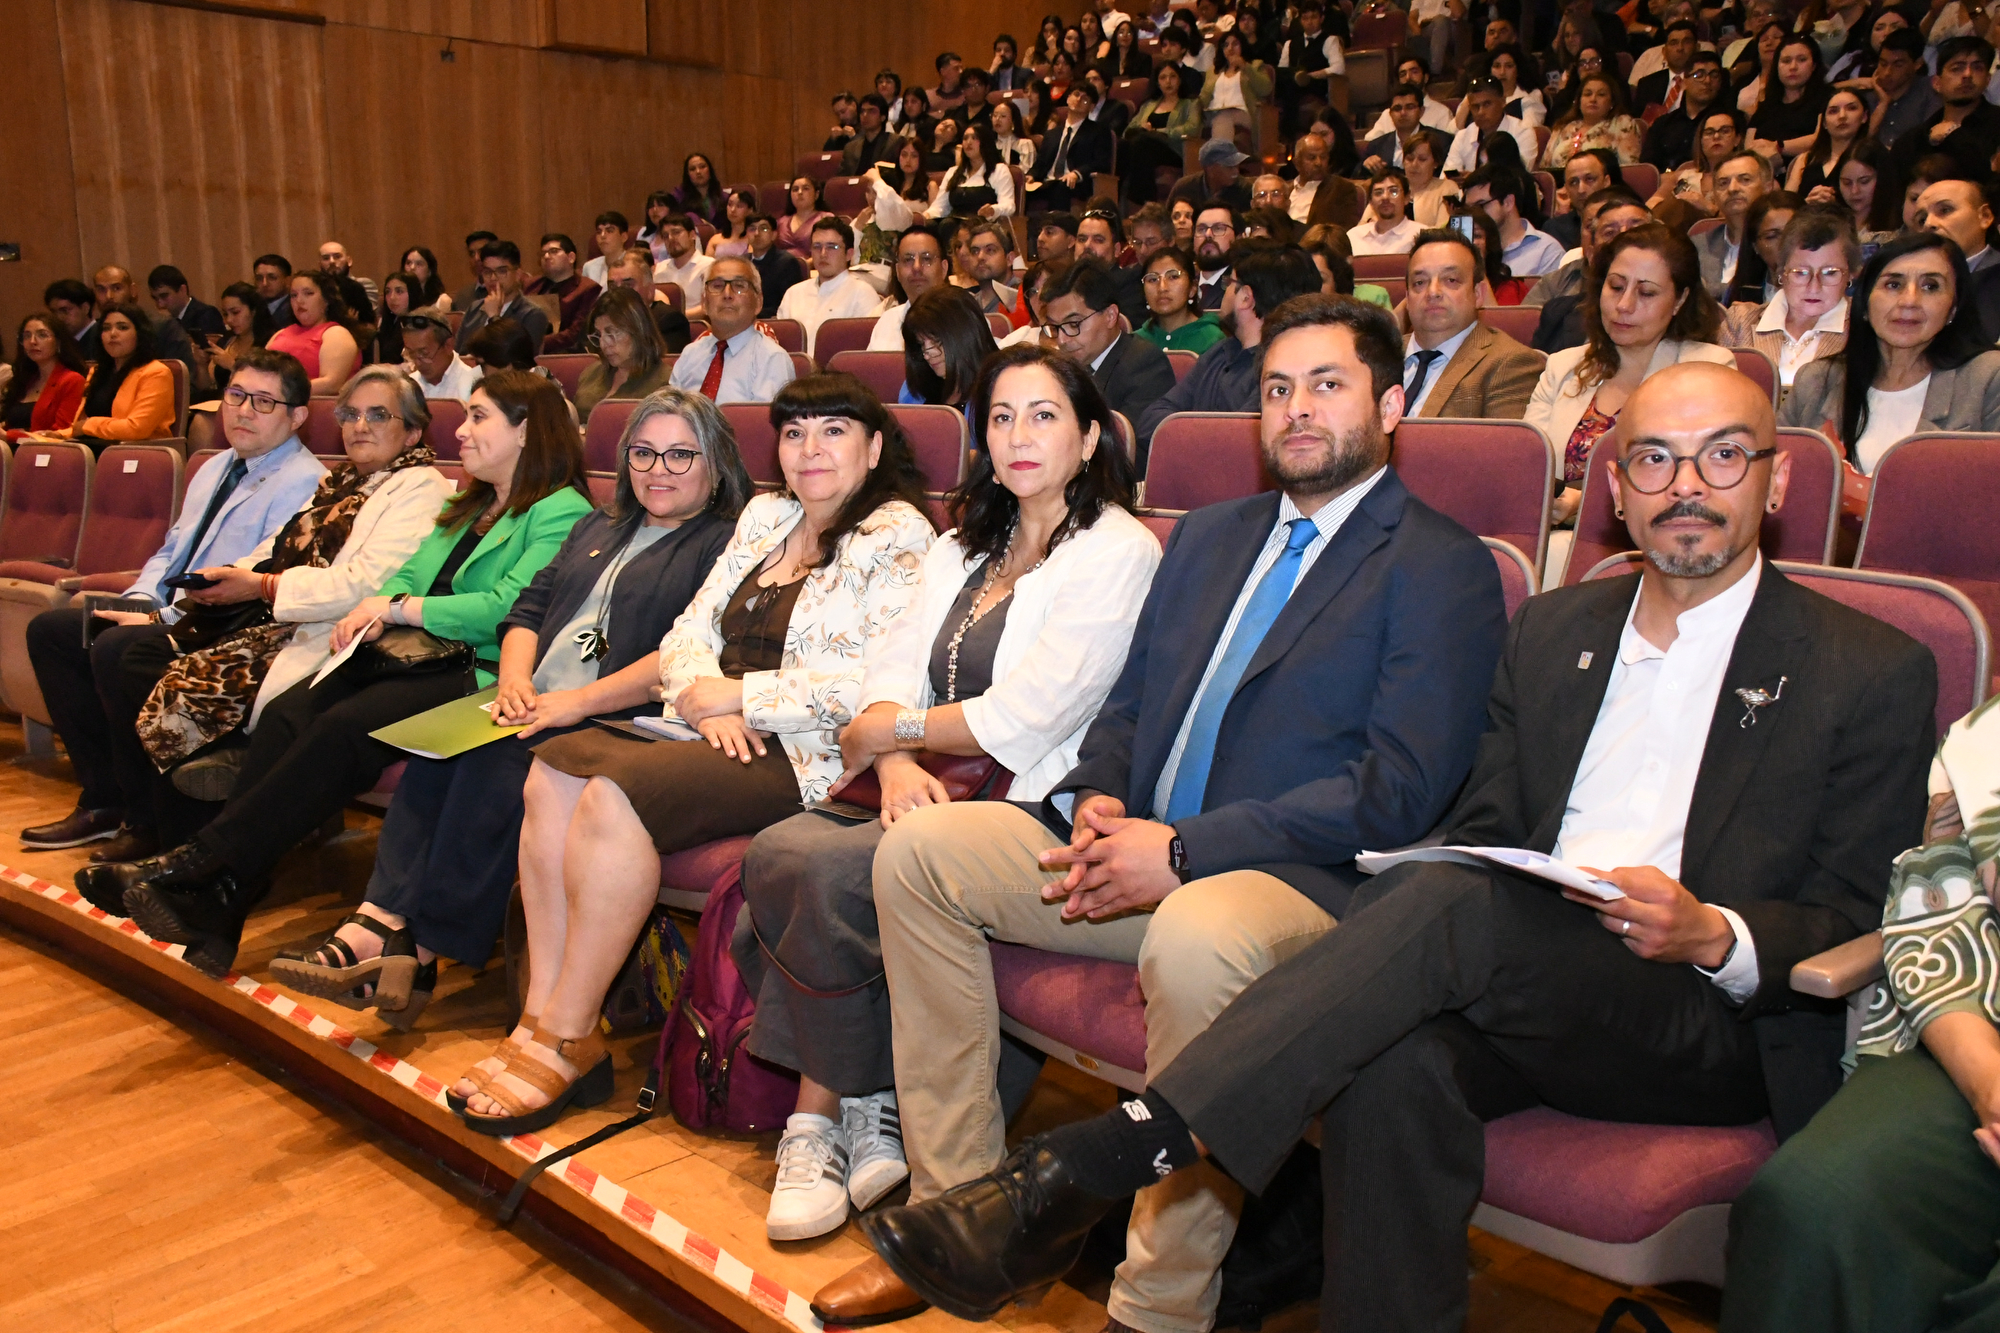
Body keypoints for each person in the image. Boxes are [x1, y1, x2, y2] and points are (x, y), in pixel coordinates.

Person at [859, 356, 1940, 1333]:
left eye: (1721, 456)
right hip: (1528, 976)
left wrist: (1715, 933)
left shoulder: (1867, 667)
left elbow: (1854, 918)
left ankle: (1093, 1162)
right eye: (1653, 458)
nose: (1685, 485)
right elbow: (1486, 831)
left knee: (1451, 903)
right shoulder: (1557, 632)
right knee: (1394, 1063)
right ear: (1615, 486)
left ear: (1775, 482)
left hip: (1700, 1012)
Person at [813, 293, 1511, 1333]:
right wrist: (1098, 794)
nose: (1297, 409)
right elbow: (1132, 705)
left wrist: (1185, 848)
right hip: (1140, 846)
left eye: (1327, 385)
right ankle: (967, 1221)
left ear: (1391, 406)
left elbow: (1399, 789)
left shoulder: (1438, 563)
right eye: (1278, 388)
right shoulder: (1211, 535)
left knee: (1194, 936)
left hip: (1297, 884)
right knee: (919, 853)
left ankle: (1156, 1308)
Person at [443, 374, 931, 1137]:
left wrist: (740, 696)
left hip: (804, 752)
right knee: (552, 769)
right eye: (795, 433)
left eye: (833, 431)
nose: (810, 449)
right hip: (709, 728)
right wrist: (706, 701)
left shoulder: (899, 534)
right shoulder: (767, 516)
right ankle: (538, 1018)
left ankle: (570, 1033)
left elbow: (878, 679)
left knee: (613, 793)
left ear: (872, 449)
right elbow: (686, 636)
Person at [745, 352, 1157, 1249]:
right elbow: (887, 668)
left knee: (817, 865)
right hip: (925, 782)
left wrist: (888, 733)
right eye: (1001, 417)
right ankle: (863, 1108)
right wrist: (895, 762)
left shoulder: (1119, 549)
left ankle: (827, 1112)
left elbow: (1028, 716)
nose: (1018, 436)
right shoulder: (963, 540)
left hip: (1030, 800)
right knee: (779, 853)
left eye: (1044, 416)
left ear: (1090, 436)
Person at [87, 370, 595, 978]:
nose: (460, 430)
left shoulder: (561, 512)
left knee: (343, 728)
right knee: (288, 713)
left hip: (474, 669)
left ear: (526, 431)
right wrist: (377, 609)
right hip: (405, 651)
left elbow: (506, 608)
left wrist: (398, 609)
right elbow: (406, 574)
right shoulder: (470, 503)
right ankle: (216, 904)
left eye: (478, 417)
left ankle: (193, 871)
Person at [269, 389, 747, 1025]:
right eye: (643, 452)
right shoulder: (599, 524)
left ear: (715, 462)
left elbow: (683, 654)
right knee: (438, 749)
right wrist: (515, 681)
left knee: (495, 766)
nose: (659, 469)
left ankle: (420, 948)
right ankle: (377, 919)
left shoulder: (725, 544)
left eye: (680, 455)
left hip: (618, 713)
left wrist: (574, 703)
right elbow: (527, 612)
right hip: (538, 697)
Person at [1721, 699, 2000, 1331]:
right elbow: (1938, 897)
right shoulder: (1989, 738)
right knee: (1813, 1206)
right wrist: (1989, 1086)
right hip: (1974, 1020)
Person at [20, 349, 327, 858]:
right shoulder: (215, 466)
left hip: (228, 623)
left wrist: (158, 618)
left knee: (116, 649)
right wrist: (140, 600)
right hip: (171, 610)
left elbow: (247, 575)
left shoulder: (304, 481)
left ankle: (146, 822)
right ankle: (104, 800)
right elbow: (173, 549)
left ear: (297, 417)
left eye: (263, 401)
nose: (243, 410)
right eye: (236, 395)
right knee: (52, 632)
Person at [128, 367, 452, 822]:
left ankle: (202, 824)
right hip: (274, 619)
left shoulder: (421, 488)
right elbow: (273, 551)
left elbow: (363, 586)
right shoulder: (339, 481)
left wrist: (262, 586)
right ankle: (161, 821)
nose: (360, 426)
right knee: (134, 653)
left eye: (378, 415)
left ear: (413, 432)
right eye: (351, 414)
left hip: (328, 633)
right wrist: (219, 581)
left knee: (157, 668)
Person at [1528, 223, 1732, 524]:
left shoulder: (1707, 370)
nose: (1624, 305)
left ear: (1679, 300)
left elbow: (1701, 483)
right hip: (1551, 537)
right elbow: (1527, 468)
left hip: (1656, 537)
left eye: (1646, 292)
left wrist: (1585, 504)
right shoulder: (1562, 367)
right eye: (1615, 287)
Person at [1780, 232, 2000, 478]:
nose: (1909, 301)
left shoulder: (1988, 378)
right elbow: (1773, 473)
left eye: (1930, 286)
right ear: (1865, 303)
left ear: (1953, 309)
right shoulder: (1817, 379)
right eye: (1893, 285)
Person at [1136, 241, 1324, 453]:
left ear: (1245, 298)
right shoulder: (1220, 351)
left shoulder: (1281, 369)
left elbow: (1234, 441)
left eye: (1228, 284)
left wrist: (1183, 429)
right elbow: (1151, 420)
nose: (1223, 293)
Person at [1402, 229, 1546, 417]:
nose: (1433, 292)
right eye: (1420, 282)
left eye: (1451, 280)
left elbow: (1502, 437)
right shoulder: (1375, 356)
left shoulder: (1511, 364)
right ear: (1407, 298)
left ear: (1478, 294)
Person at [1041, 259, 1177, 437]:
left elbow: (1125, 443)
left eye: (1074, 324)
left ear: (1111, 316)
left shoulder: (1145, 364)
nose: (1062, 339)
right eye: (1055, 327)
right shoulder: (1060, 366)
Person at [1721, 210, 1854, 393]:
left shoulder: (1864, 328)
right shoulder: (1740, 321)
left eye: (1830, 273)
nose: (1814, 287)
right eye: (1800, 273)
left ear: (1850, 275)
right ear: (1781, 273)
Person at [44, 303, 176, 449]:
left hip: (138, 452)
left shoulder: (156, 373)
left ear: (140, 334)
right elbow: (81, 426)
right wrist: (60, 435)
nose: (112, 334)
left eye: (122, 328)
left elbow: (136, 428)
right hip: (94, 447)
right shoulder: (97, 371)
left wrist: (90, 425)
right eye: (106, 328)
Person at [669, 257, 797, 404]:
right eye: (717, 286)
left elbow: (764, 418)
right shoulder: (690, 354)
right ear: (704, 303)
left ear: (758, 302)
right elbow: (668, 411)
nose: (727, 294)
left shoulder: (772, 359)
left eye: (739, 286)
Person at [776, 217, 883, 359]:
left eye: (832, 247)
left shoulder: (863, 294)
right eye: (817, 247)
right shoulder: (793, 293)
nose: (823, 254)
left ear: (849, 254)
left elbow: (864, 354)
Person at [1916, 177, 2000, 343]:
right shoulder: (1908, 282)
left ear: (1985, 216)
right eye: (1922, 219)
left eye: (1945, 210)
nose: (1929, 224)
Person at [573, 286, 672, 426]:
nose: (603, 344)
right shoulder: (590, 373)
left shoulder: (665, 383)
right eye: (599, 335)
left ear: (639, 331)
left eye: (612, 333)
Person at [1904, 37, 2000, 180]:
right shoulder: (1915, 140)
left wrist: (1954, 135)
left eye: (1977, 68)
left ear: (1988, 80)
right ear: (1937, 83)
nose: (1967, 75)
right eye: (1957, 68)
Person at [899, 284, 999, 415]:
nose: (927, 354)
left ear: (965, 336)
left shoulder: (999, 389)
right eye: (921, 344)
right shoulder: (914, 391)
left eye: (937, 341)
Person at [266, 271, 360, 395]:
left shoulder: (336, 334)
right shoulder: (280, 333)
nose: (299, 301)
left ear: (326, 300)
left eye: (308, 293)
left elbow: (331, 384)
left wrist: (279, 391)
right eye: (294, 295)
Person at [1463, 166, 1567, 276]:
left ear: (1508, 202)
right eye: (1468, 208)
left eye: (1480, 205)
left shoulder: (1546, 251)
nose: (1473, 214)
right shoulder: (1468, 248)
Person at [1029, 85, 1116, 213]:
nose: (1079, 99)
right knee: (1022, 189)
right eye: (1076, 94)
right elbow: (1040, 164)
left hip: (1076, 184)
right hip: (1048, 183)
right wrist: (1031, 175)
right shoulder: (1052, 134)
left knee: (1060, 187)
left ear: (1092, 107)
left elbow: (1101, 162)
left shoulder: (1099, 131)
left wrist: (1077, 173)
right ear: (1068, 98)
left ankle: (1058, 224)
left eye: (1085, 99)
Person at [1698, 151, 1773, 298]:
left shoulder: (1779, 243)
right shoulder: (1699, 245)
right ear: (1714, 195)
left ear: (1767, 187)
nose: (1732, 189)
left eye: (1745, 180)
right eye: (1723, 183)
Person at [457, 241, 552, 356]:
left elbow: (519, 359)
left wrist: (494, 317)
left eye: (501, 271)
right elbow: (459, 353)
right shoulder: (474, 308)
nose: (493, 278)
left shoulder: (532, 314)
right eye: (487, 272)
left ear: (518, 274)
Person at [1746, 36, 1833, 163]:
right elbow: (1749, 146)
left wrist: (1777, 147)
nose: (1793, 67)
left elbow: (1821, 137)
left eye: (1802, 60)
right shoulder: (1766, 105)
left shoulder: (1826, 97)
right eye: (1786, 61)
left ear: (1814, 65)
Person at [1124, 62, 1201, 203]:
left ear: (1180, 80)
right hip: (1147, 146)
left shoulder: (1190, 103)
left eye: (1172, 77)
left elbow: (1192, 128)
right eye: (1163, 77)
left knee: (1142, 142)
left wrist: (1159, 132)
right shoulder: (1149, 105)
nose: (1168, 81)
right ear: (1157, 82)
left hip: (1174, 149)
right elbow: (1129, 130)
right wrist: (1142, 128)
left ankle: (1143, 200)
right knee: (1126, 145)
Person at [1641, 49, 1730, 172]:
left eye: (1714, 75)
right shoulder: (1663, 124)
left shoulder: (1728, 122)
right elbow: (1648, 169)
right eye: (1699, 75)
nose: (1707, 81)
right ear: (1684, 82)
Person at [3, 311, 86, 440]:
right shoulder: (25, 379)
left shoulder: (72, 380)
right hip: (13, 449)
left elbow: (60, 432)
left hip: (47, 450)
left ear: (58, 342)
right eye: (27, 336)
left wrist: (8, 436)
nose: (32, 341)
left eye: (42, 335)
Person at [868, 226, 950, 353]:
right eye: (908, 260)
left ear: (944, 268)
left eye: (926, 259)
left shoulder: (964, 318)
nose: (917, 267)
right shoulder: (888, 321)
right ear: (897, 271)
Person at [1133, 245, 1227, 354]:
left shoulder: (1212, 339)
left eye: (1173, 277)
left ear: (1192, 288)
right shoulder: (1136, 341)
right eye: (1153, 279)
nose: (1162, 288)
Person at [1542, 73, 1645, 168]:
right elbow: (1545, 169)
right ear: (1579, 101)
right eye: (1588, 94)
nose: (1593, 99)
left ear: (1612, 102)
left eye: (1601, 94)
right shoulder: (1563, 126)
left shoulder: (1623, 124)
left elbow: (1629, 169)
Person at [147, 266, 226, 384]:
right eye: (155, 298)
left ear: (182, 290)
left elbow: (207, 358)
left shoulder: (206, 314)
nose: (160, 304)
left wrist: (168, 323)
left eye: (164, 296)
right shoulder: (160, 323)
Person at [1722, 191, 1802, 308]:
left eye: (1793, 233)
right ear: (1755, 246)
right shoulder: (1740, 293)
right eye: (1772, 236)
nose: (1785, 243)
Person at [526, 233, 602, 355]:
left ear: (571, 257)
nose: (546, 256)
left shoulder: (588, 288)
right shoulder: (531, 286)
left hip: (566, 354)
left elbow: (576, 334)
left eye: (553, 251)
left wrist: (534, 343)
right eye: (543, 253)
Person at [1446, 78, 1542, 174]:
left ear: (1503, 102)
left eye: (1487, 104)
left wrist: (1472, 179)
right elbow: (1446, 176)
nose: (1480, 112)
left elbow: (1518, 175)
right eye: (1475, 107)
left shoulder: (1523, 133)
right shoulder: (1462, 136)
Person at [1199, 30, 1275, 150]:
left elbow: (1266, 89)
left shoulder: (1255, 65)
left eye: (1235, 44)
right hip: (1213, 113)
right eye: (1226, 45)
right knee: (1216, 118)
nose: (1230, 48)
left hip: (1242, 113)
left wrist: (1245, 66)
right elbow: (1203, 99)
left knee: (1223, 117)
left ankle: (1221, 157)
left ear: (1243, 46)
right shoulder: (1213, 71)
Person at [1863, 28, 1938, 150]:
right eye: (1883, 64)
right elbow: (1859, 145)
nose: (1887, 72)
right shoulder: (1869, 98)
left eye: (1898, 65)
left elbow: (1930, 140)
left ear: (1917, 64)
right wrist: (1882, 104)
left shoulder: (1931, 90)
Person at [1358, 85, 1456, 178]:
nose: (1403, 113)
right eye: (1397, 108)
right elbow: (1357, 176)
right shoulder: (1376, 145)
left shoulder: (1441, 141)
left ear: (1421, 111)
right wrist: (1366, 166)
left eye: (1410, 107)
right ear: (1390, 114)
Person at [929, 122, 1017, 222]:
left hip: (982, 224)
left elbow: (1009, 206)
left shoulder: (999, 170)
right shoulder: (953, 172)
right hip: (953, 222)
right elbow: (940, 207)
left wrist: (993, 210)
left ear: (985, 142)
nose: (969, 142)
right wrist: (924, 216)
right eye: (965, 138)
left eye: (974, 138)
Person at [204, 281, 275, 395]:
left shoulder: (270, 342)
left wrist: (232, 365)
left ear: (253, 311)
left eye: (235, 312)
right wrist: (201, 364)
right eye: (225, 314)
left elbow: (268, 384)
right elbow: (208, 386)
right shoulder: (226, 340)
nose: (229, 320)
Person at [1286, 131, 1366, 232]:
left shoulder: (1341, 189)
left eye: (1323, 157)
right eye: (1312, 158)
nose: (1318, 163)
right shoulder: (1285, 190)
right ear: (1297, 163)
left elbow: (1346, 230)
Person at [401, 308, 481, 402]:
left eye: (424, 353)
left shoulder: (474, 386)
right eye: (411, 353)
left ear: (448, 345)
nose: (417, 363)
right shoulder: (408, 387)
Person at [1836, 137, 1902, 245]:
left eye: (1864, 181)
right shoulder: (1831, 218)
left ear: (1882, 178)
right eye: (1847, 183)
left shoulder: (1899, 222)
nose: (1854, 191)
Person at [1348, 169, 1424, 255]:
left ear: (1407, 198)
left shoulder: (1420, 236)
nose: (1385, 197)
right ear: (1371, 202)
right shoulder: (1353, 236)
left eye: (1393, 192)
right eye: (1378, 193)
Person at [315, 241, 377, 330]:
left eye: (337, 257)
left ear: (349, 261)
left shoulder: (363, 284)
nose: (332, 261)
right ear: (319, 264)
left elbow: (370, 323)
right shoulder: (315, 288)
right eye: (326, 258)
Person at [778, 177, 831, 262]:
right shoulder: (781, 222)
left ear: (816, 194)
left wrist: (805, 265)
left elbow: (830, 250)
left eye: (805, 188)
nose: (800, 192)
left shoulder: (826, 218)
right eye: (795, 189)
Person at [672, 152, 727, 231]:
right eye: (692, 169)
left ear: (710, 171)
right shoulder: (679, 196)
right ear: (688, 175)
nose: (698, 172)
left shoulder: (724, 197)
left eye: (702, 167)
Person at [581, 212, 631, 289]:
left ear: (624, 237)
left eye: (609, 231)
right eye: (599, 232)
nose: (602, 236)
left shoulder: (635, 266)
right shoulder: (589, 267)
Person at [252, 254, 298, 330]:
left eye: (272, 278)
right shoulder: (253, 308)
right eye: (259, 278)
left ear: (288, 280)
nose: (264, 284)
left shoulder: (295, 310)